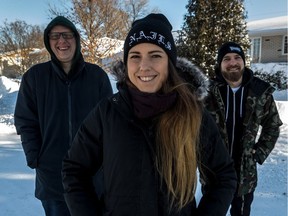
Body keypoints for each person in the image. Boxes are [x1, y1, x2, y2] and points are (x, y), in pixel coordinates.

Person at [62, 13, 237, 216]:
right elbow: (74, 169)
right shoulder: (108, 112)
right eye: (135, 56)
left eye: (155, 55)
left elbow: (223, 176)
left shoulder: (193, 114)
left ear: (169, 63)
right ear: (126, 63)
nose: (144, 66)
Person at [14, 16, 113, 216]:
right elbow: (25, 121)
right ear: (48, 42)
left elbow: (110, 122)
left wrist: (108, 162)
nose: (62, 41)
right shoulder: (35, 77)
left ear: (76, 39)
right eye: (55, 36)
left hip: (92, 177)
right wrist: (36, 158)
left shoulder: (97, 77)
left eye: (67, 35)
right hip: (52, 179)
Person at [205, 41, 283, 216]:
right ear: (220, 64)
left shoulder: (259, 92)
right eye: (226, 58)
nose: (232, 62)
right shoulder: (206, 92)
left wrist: (259, 152)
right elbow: (193, 127)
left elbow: (273, 124)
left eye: (237, 57)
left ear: (243, 61)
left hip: (245, 176)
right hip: (214, 174)